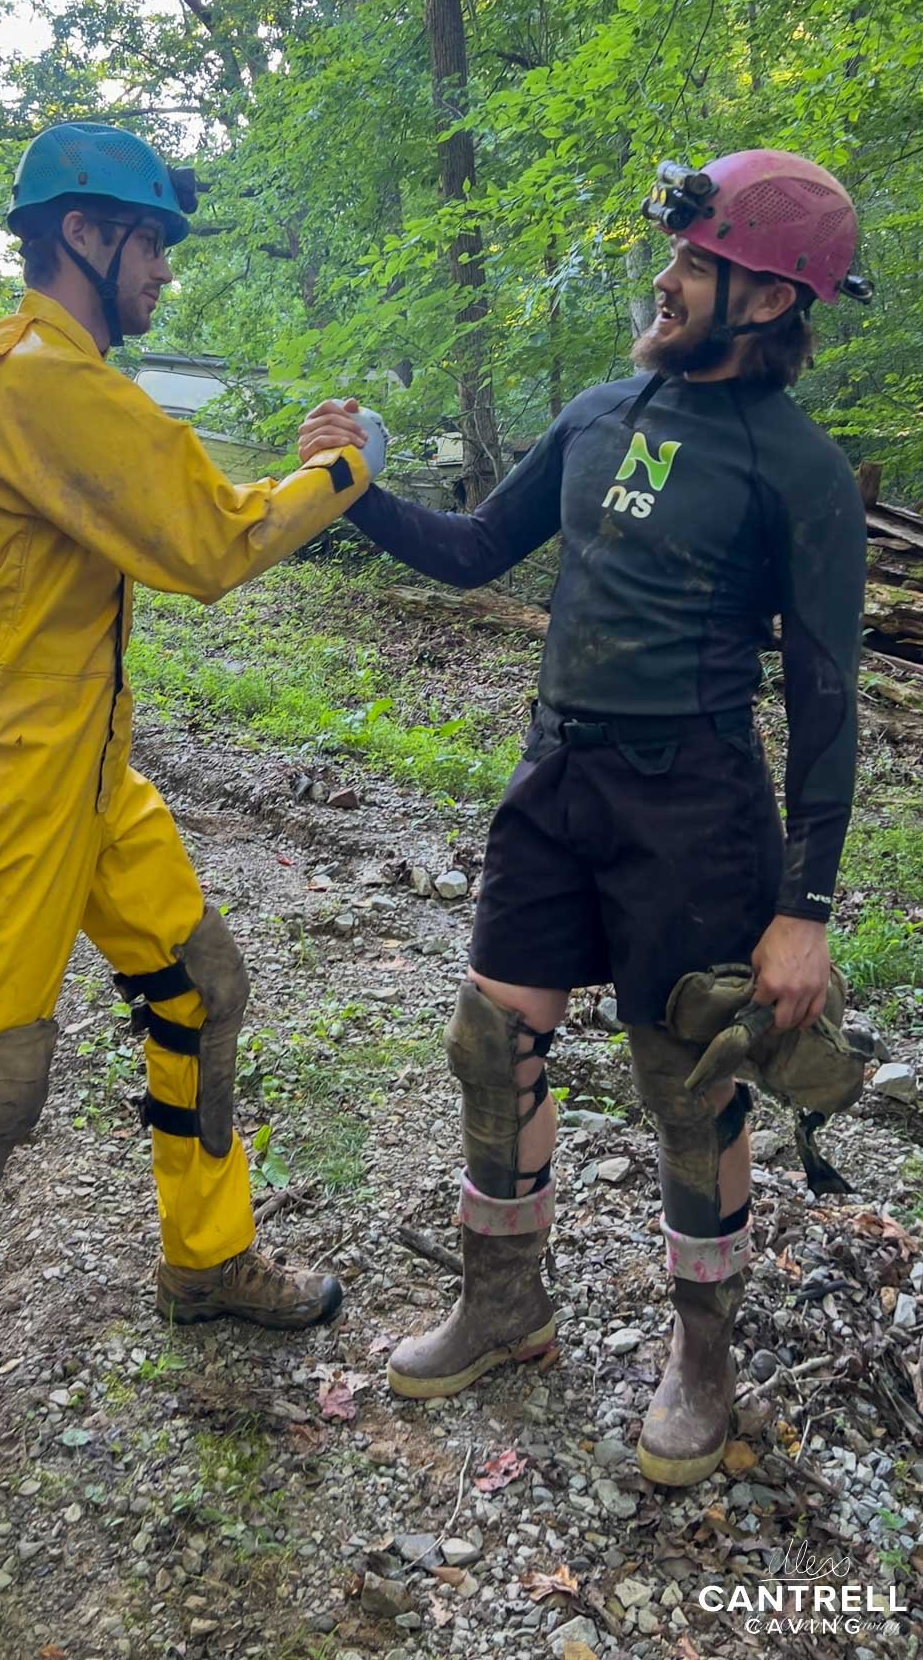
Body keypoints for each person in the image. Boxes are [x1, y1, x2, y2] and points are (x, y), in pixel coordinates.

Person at [299, 150, 870, 1488]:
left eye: (694, 264)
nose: (663, 280)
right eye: (673, 257)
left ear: (772, 300)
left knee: (692, 1082)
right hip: (558, 780)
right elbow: (473, 547)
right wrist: (355, 488)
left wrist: (805, 909)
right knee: (492, 1041)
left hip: (698, 809)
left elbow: (830, 699)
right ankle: (507, 1304)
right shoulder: (605, 408)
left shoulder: (801, 472)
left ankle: (704, 1360)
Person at [0, 121, 382, 1546]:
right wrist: (341, 469)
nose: (163, 271)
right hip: (7, 793)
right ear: (86, 238)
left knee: (204, 990)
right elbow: (214, 542)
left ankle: (206, 1259)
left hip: (92, 777)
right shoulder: (46, 385)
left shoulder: (30, 375)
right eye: (151, 243)